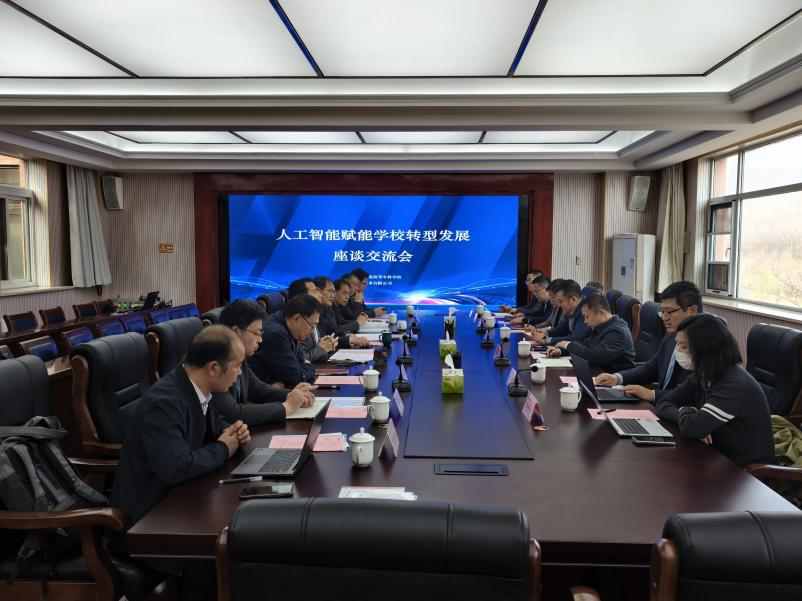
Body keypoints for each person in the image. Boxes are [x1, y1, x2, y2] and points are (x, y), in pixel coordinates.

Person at [110, 326, 251, 600]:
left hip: (179, 504)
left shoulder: (195, 388)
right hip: (148, 523)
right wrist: (224, 447)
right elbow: (176, 467)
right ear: (213, 368)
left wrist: (232, 431)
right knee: (226, 562)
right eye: (237, 366)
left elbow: (212, 428)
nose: (240, 373)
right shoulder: (165, 401)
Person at [653, 314, 773, 466]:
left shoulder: (733, 384)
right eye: (677, 344)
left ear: (706, 349)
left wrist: (690, 415)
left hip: (744, 470)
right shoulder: (703, 373)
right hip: (714, 455)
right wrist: (689, 414)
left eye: (683, 346)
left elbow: (693, 428)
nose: (678, 351)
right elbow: (663, 402)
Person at [213, 299, 316, 424]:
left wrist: (292, 395)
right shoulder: (216, 362)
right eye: (256, 333)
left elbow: (256, 388)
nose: (260, 340)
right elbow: (233, 413)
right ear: (236, 331)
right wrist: (286, 407)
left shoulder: (239, 355)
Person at [596, 281, 701, 402]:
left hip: (680, 410)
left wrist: (653, 394)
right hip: (662, 406)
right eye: (662, 312)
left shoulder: (706, 345)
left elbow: (695, 394)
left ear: (692, 310)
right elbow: (651, 368)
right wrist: (617, 378)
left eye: (670, 311)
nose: (665, 318)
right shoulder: (671, 336)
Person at [548, 292, 635, 372]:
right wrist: (561, 351)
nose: (585, 321)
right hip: (597, 373)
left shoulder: (617, 332)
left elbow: (594, 357)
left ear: (602, 313)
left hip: (612, 379)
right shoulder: (602, 326)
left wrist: (568, 345)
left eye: (587, 316)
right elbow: (586, 344)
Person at [249, 293, 321, 386]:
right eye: (312, 325)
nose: (312, 332)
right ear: (297, 318)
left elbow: (300, 360)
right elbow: (295, 376)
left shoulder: (289, 326)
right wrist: (309, 366)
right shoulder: (276, 334)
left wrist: (302, 367)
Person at [527, 279, 590, 346]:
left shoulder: (586, 310)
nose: (559, 305)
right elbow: (562, 329)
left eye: (561, 301)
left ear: (573, 299)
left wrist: (547, 340)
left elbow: (575, 338)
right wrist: (545, 333)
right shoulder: (573, 309)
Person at [313, 275, 371, 347]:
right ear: (318, 291)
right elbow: (332, 331)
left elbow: (336, 327)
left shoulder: (327, 307)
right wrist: (357, 323)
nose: (333, 295)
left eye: (348, 293)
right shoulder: (316, 310)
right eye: (331, 291)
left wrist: (346, 334)